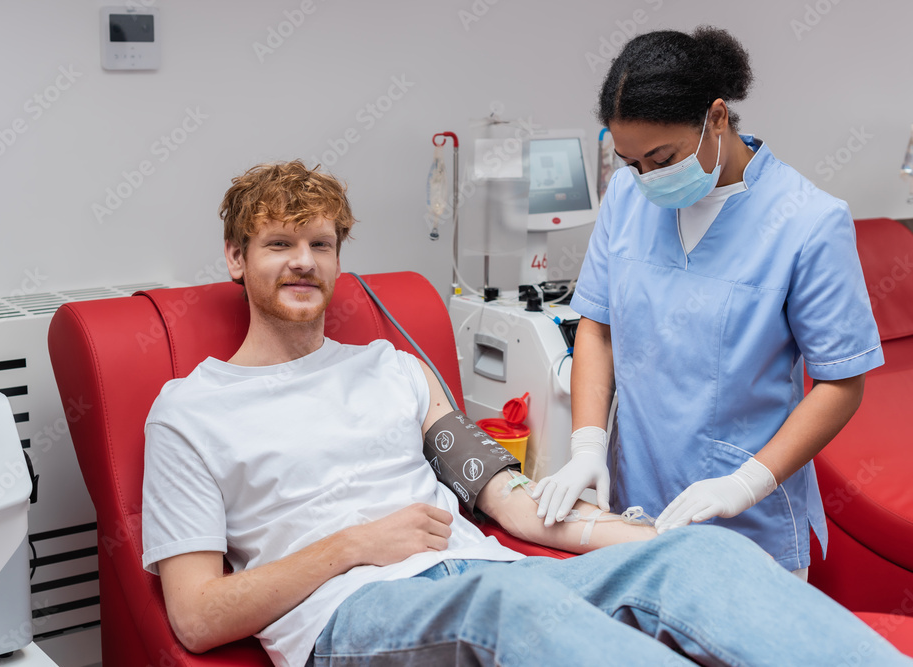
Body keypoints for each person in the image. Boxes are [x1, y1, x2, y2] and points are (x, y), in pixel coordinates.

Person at [141, 161, 910, 667]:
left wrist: (649, 532)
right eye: (278, 243)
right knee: (513, 597)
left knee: (703, 554)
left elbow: (509, 501)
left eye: (320, 242)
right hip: (356, 614)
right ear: (237, 257)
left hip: (494, 576)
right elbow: (199, 615)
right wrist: (354, 545)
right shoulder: (190, 411)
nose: (304, 260)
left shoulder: (395, 370)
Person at [531, 26, 882, 578]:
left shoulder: (808, 222)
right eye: (631, 162)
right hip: (634, 511)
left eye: (661, 156)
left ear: (716, 118)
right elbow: (595, 328)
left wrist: (747, 483)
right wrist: (586, 446)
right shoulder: (627, 199)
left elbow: (841, 383)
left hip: (750, 523)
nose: (645, 177)